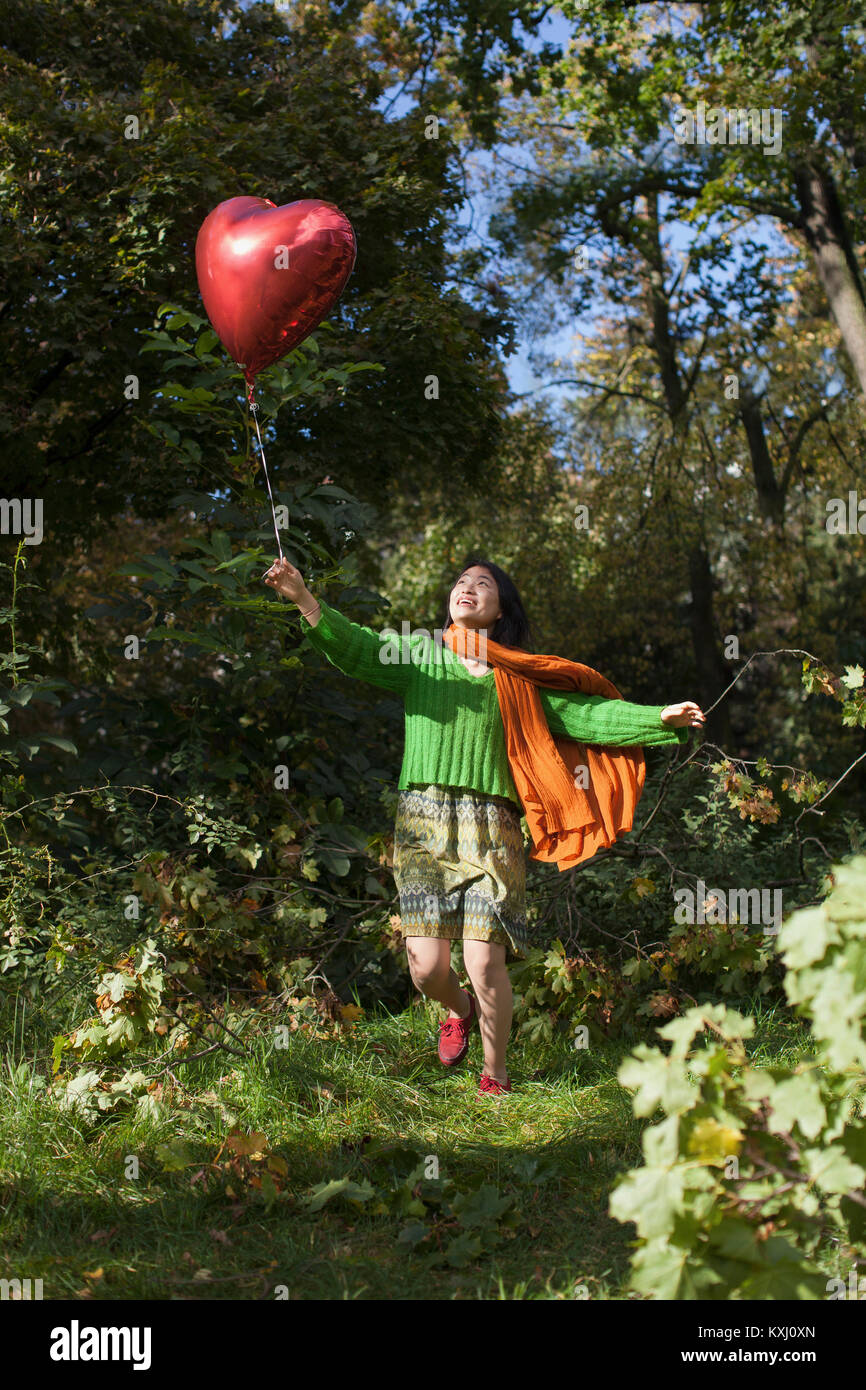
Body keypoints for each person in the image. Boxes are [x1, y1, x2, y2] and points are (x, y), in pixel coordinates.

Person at [264, 553, 705, 1096]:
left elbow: (587, 716)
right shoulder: (419, 657)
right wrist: (304, 599)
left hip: (493, 826)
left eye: (482, 584)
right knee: (426, 969)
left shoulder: (517, 679)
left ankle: (495, 1078)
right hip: (423, 822)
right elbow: (355, 648)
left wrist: (656, 716)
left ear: (500, 612)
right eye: (460, 582)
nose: (467, 588)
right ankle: (460, 1009)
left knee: (483, 956)